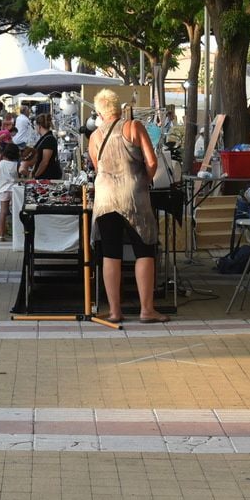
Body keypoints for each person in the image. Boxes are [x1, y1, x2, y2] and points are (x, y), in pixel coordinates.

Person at [86, 90, 167, 325]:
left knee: (111, 253)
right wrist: (145, 180)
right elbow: (152, 161)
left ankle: (114, 311)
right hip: (134, 197)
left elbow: (97, 167)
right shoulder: (133, 127)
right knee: (144, 250)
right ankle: (146, 310)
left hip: (105, 199)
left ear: (100, 112)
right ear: (119, 108)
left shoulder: (94, 137)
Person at [0, 141, 21, 240]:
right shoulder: (16, 164)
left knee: (3, 212)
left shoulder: (1, 163)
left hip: (3, 189)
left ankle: (1, 235)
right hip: (14, 189)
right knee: (16, 211)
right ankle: (16, 233)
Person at [30, 113, 62, 179]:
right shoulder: (44, 138)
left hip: (47, 176)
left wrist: (35, 175)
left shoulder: (49, 139)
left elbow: (45, 161)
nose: (35, 128)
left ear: (39, 126)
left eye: (35, 125)